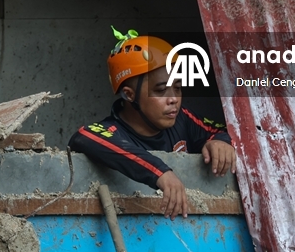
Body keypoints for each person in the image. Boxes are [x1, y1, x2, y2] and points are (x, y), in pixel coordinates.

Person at [69, 29, 235, 220]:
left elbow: (219, 129)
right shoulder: (111, 131)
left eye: (178, 88)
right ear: (129, 95)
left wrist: (220, 141)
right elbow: (84, 135)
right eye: (161, 90)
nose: (173, 99)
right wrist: (160, 172)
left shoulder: (182, 118)